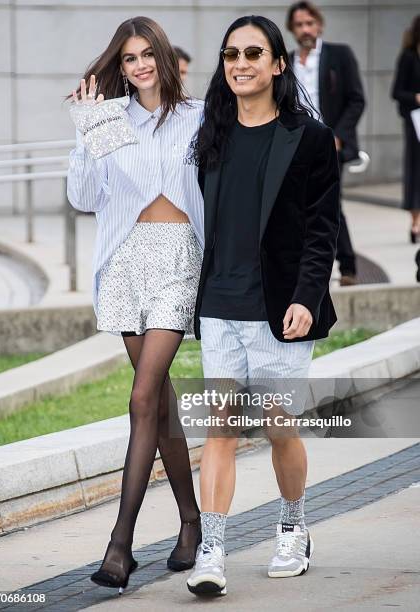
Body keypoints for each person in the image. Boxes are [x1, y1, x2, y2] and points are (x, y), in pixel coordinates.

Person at [186, 14, 340, 597]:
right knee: (220, 430)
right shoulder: (211, 135)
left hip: (280, 312)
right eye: (231, 55)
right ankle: (213, 551)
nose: (240, 64)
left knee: (279, 427)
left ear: (279, 64)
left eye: (253, 54)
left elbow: (321, 229)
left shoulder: (310, 138)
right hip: (220, 307)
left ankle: (294, 526)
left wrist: (306, 297)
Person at [67, 16, 204, 593]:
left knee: (143, 395)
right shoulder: (112, 119)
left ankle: (120, 544)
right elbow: (83, 197)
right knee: (161, 405)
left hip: (179, 257)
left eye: (149, 54)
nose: (140, 65)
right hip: (123, 260)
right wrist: (86, 130)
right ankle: (191, 522)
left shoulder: (198, 116)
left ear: (165, 58)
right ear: (118, 67)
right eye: (129, 58)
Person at [287, 1, 365, 286]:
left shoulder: (339, 55)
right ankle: (307, 267)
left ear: (319, 24)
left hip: (331, 144)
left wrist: (338, 136)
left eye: (309, 23)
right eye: (299, 25)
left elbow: (356, 99)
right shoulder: (288, 61)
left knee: (331, 203)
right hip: (297, 144)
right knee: (299, 206)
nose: (305, 29)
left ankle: (348, 267)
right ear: (292, 29)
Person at [391, 15, 420, 243]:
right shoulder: (409, 57)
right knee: (415, 170)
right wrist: (416, 97)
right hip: (415, 122)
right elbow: (397, 92)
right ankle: (415, 221)